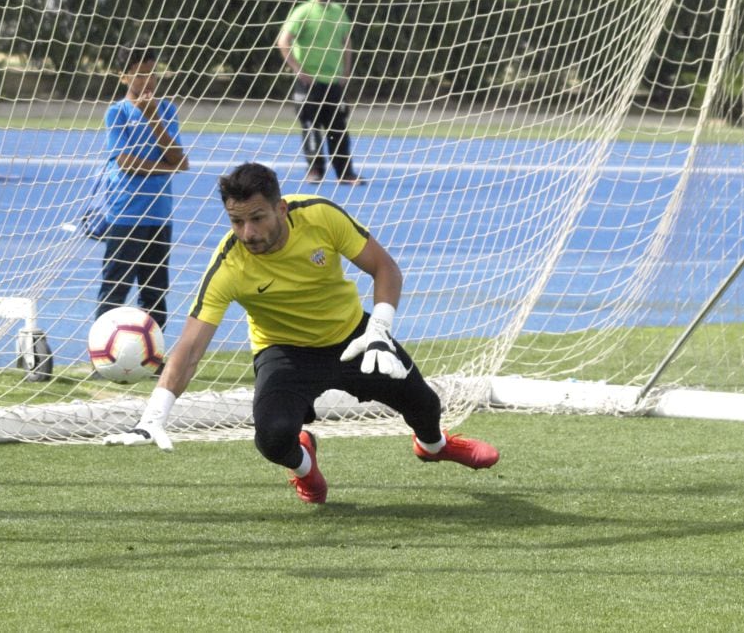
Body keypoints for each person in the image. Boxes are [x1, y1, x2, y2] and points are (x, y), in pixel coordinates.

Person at [104, 162, 499, 504]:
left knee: (426, 406)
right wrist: (153, 416)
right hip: (284, 352)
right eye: (236, 221)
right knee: (273, 439)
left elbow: (386, 268)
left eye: (257, 218)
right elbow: (190, 347)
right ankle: (305, 467)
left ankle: (434, 446)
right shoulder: (229, 264)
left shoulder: (321, 216)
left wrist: (378, 328)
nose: (247, 233)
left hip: (355, 337)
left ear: (282, 208)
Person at [95, 43, 189, 333]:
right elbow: (126, 162)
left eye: (152, 73)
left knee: (155, 291)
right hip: (126, 212)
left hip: (159, 214)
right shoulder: (117, 113)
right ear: (123, 77)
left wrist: (154, 118)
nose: (148, 81)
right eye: (139, 75)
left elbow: (179, 158)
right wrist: (167, 167)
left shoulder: (166, 111)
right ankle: (103, 351)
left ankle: (154, 355)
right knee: (115, 288)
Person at [276, 0, 365, 185]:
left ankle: (346, 173)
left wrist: (346, 71)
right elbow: (283, 41)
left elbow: (346, 42)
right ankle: (315, 170)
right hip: (310, 82)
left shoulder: (338, 12)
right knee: (311, 125)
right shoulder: (303, 12)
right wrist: (298, 70)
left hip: (333, 82)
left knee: (338, 128)